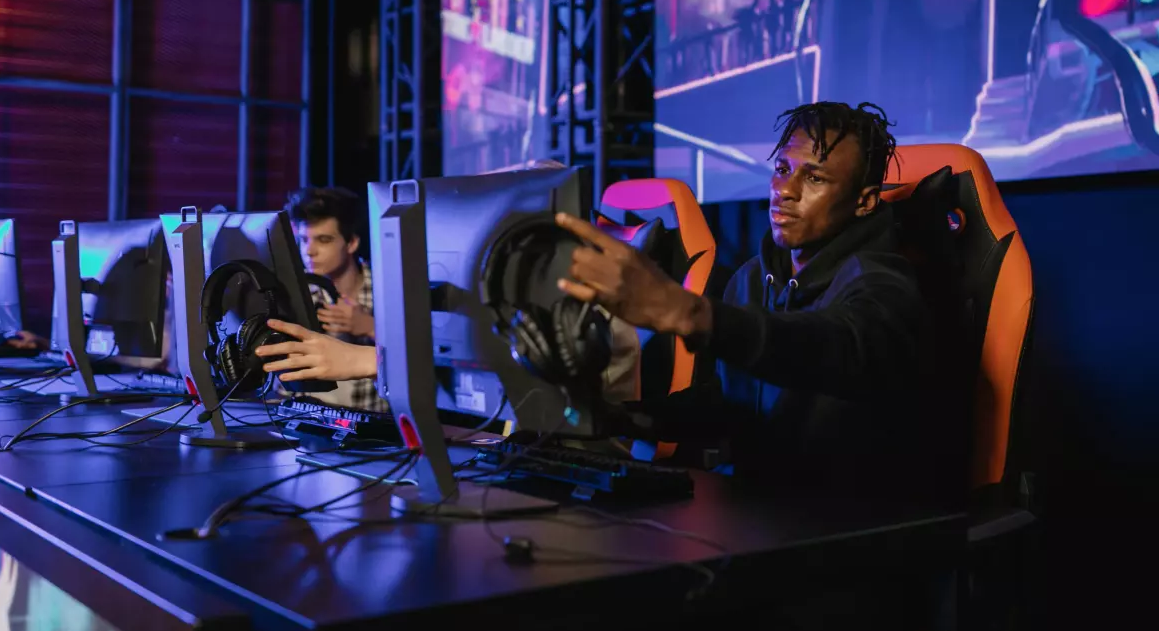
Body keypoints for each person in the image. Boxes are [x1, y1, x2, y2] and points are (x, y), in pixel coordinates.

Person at [556, 101, 965, 499]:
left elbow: (839, 344)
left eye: (815, 178)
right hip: (760, 512)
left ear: (864, 201)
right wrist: (617, 417)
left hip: (843, 529)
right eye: (783, 168)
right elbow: (733, 407)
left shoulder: (885, 286)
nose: (785, 190)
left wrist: (688, 312)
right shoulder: (753, 278)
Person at [257, 164, 642, 406]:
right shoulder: (477, 297)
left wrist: (369, 346)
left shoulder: (595, 317)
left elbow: (555, 370)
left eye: (322, 240)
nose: (310, 252)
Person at [282, 187, 385, 412]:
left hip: (370, 434)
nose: (309, 251)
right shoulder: (291, 293)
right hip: (306, 425)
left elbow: (424, 361)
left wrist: (370, 327)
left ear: (351, 243)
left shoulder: (386, 289)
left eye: (324, 240)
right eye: (303, 240)